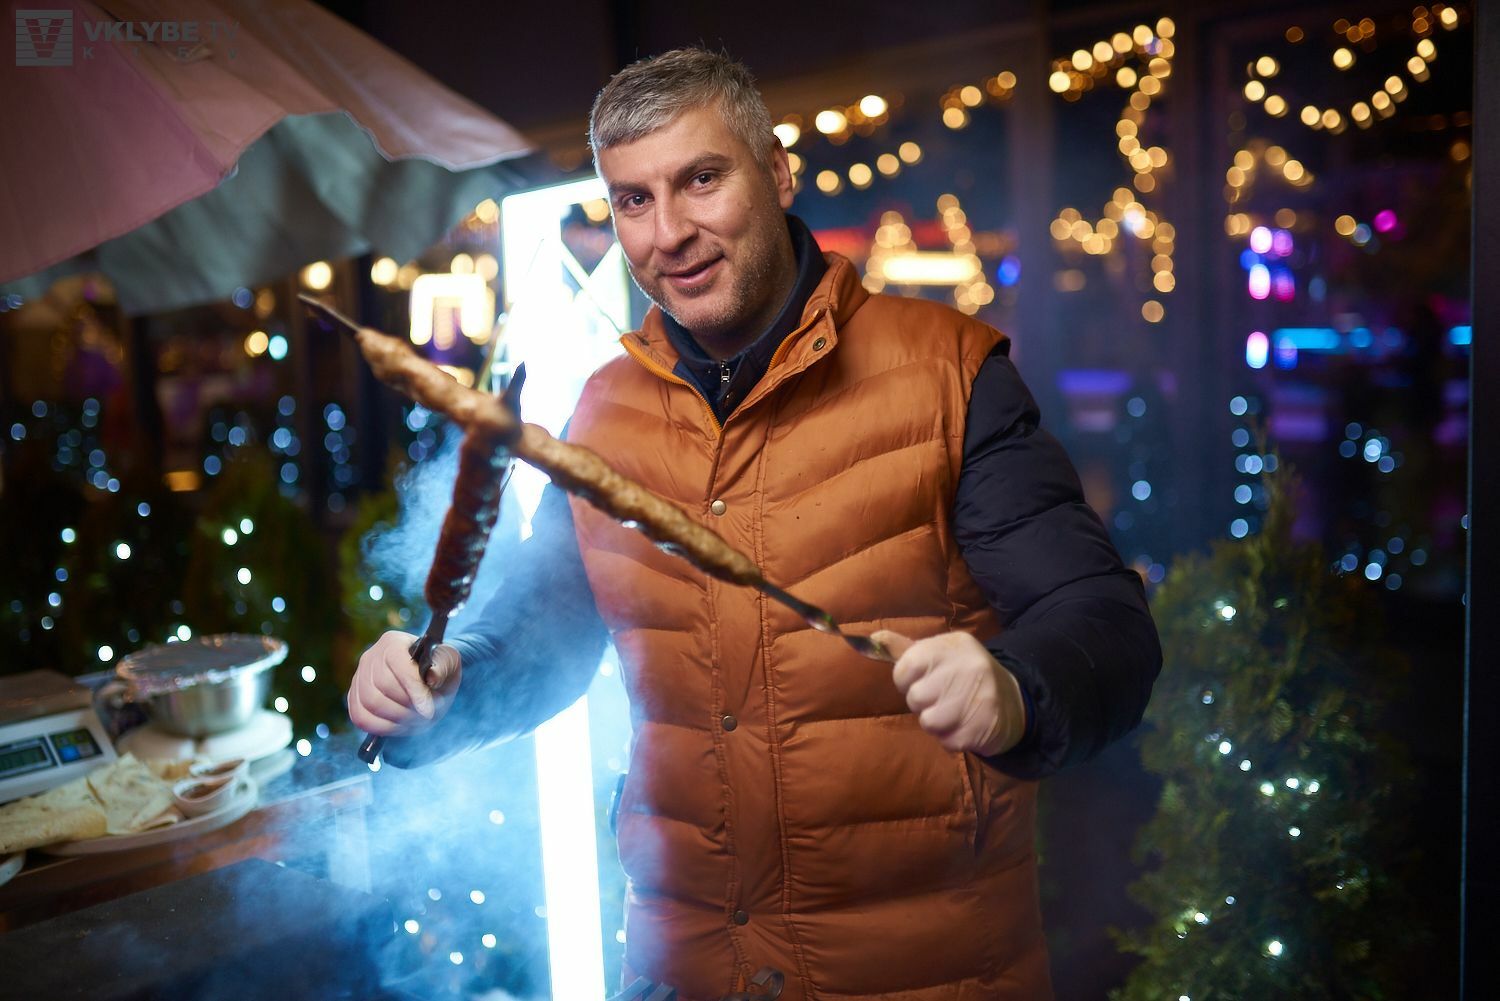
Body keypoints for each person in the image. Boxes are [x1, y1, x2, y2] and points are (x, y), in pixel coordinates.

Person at [349, 48, 1161, 1001]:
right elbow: (543, 637)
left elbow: (1107, 622)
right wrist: (444, 683)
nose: (670, 234)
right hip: (685, 972)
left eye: (701, 179)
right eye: (634, 200)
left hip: (924, 976)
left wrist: (1015, 687)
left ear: (776, 172)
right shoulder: (603, 413)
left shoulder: (948, 373)